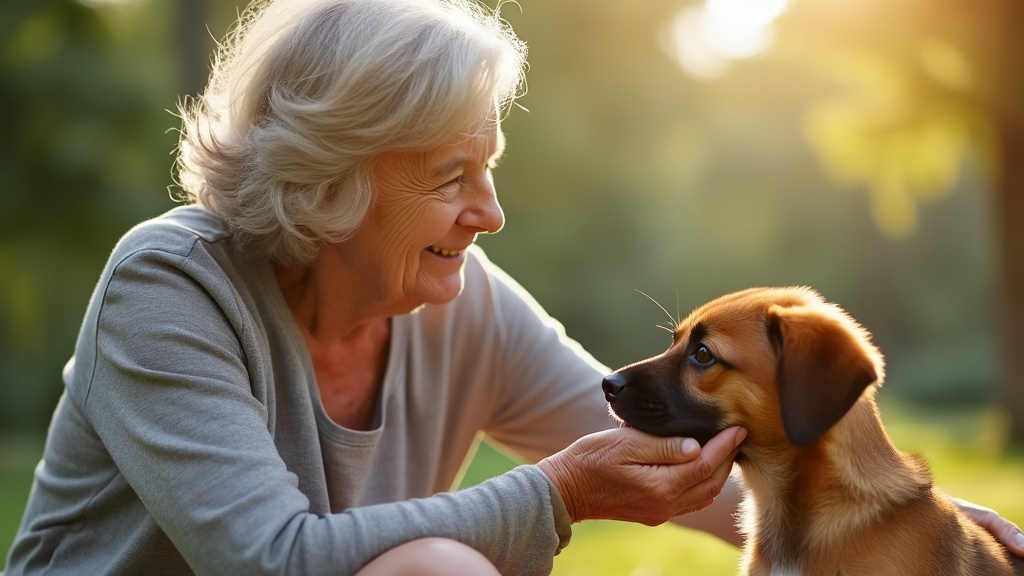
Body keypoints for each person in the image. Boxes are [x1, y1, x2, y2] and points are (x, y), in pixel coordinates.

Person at [4, 0, 1022, 574]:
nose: (488, 214)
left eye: (489, 171)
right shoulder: (169, 289)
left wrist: (951, 531)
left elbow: (671, 458)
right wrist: (558, 490)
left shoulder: (459, 300)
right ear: (331, 181)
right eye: (452, 178)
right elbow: (272, 562)